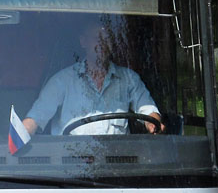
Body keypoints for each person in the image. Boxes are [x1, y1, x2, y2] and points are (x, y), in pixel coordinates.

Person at [22, 19, 163, 137]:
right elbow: (36, 118)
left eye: (107, 38)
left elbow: (148, 110)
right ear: (83, 42)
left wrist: (153, 123)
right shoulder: (61, 81)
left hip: (118, 162)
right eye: (97, 38)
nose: (102, 43)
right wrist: (20, 135)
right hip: (71, 163)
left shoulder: (129, 79)